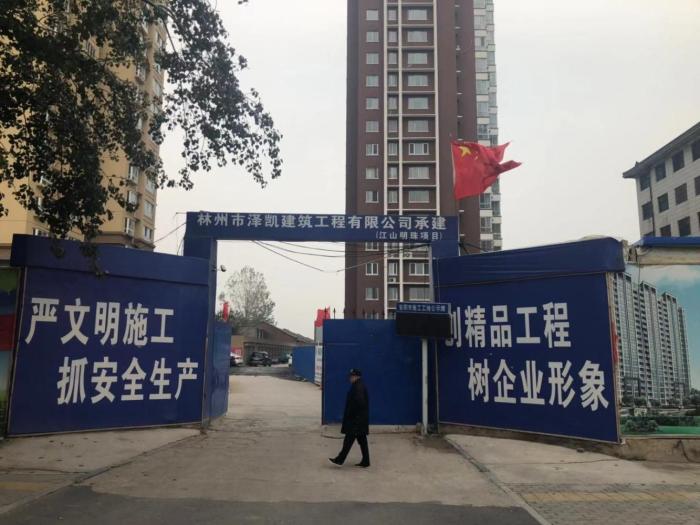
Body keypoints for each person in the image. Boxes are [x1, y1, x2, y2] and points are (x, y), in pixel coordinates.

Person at [329, 368, 370, 468]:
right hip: (359, 420)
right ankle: (366, 461)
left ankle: (340, 459)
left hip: (356, 421)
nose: (350, 378)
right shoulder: (358, 385)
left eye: (351, 376)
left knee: (348, 440)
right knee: (362, 441)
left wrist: (352, 415)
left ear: (356, 376)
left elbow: (360, 403)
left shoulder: (358, 387)